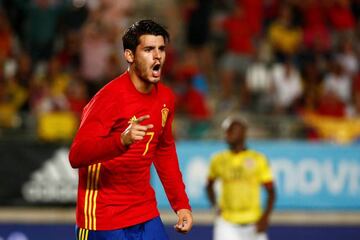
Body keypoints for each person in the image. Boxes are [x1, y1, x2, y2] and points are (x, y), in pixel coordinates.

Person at [68, 19, 193, 240]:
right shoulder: (108, 99)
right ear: (129, 56)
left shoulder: (165, 98)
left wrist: (181, 204)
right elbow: (77, 156)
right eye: (148, 49)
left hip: (143, 211)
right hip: (102, 217)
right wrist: (120, 141)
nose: (157, 56)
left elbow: (164, 151)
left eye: (161, 49)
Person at [206, 115, 276, 240]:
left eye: (231, 131)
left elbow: (271, 191)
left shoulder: (258, 159)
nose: (227, 135)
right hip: (227, 223)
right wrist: (215, 206)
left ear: (243, 133)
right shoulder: (218, 159)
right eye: (227, 132)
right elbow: (209, 185)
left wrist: (265, 217)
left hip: (254, 222)